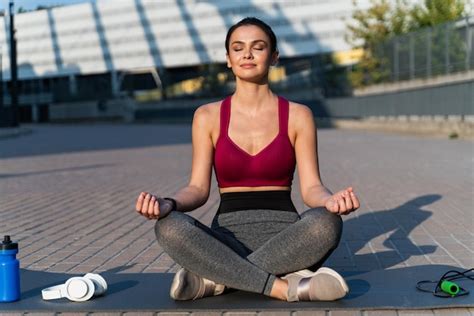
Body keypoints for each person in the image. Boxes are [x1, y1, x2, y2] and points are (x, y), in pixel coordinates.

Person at [135, 17, 360, 302]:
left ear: (274, 56)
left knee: (327, 223)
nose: (248, 54)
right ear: (228, 59)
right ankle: (285, 287)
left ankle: (216, 279)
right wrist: (169, 204)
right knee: (168, 226)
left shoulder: (298, 115)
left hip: (288, 239)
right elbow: (197, 189)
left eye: (259, 47)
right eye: (238, 48)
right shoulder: (207, 116)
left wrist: (330, 202)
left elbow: (312, 188)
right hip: (225, 239)